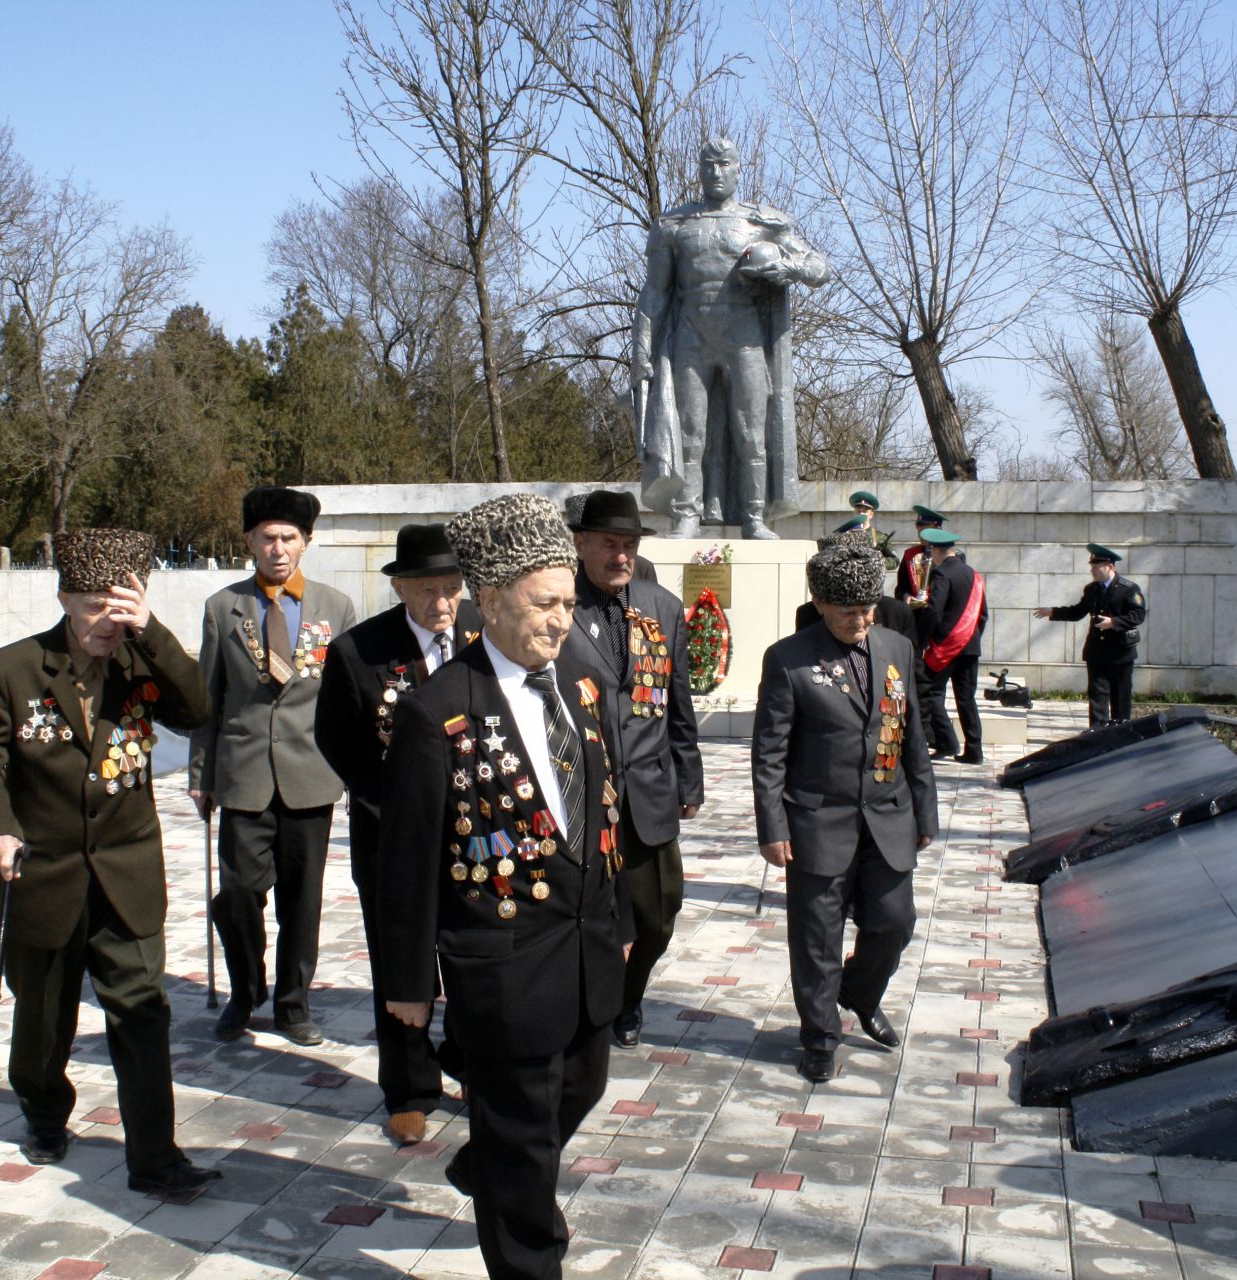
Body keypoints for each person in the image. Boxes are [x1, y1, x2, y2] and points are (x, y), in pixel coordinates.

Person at [378, 494, 631, 1280]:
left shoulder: (581, 690)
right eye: (544, 603)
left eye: (568, 603)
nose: (562, 620)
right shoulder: (437, 711)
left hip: (587, 951)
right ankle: (528, 1253)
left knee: (579, 1090)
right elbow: (408, 862)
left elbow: (600, 818)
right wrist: (409, 984)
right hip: (503, 959)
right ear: (490, 600)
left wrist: (616, 918)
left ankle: (488, 1165)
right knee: (524, 1141)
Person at [0, 528, 220, 1196]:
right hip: (41, 875)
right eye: (97, 603)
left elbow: (197, 709)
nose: (109, 619)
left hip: (126, 876)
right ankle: (44, 1113)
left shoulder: (141, 663)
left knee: (142, 1013)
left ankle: (154, 1156)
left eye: (124, 602)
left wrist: (151, 631)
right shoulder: (15, 668)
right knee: (43, 1017)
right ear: (66, 598)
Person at [314, 524, 482, 1146]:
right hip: (391, 836)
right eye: (429, 589)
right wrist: (399, 802)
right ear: (401, 588)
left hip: (473, 830)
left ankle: (468, 1063)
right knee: (399, 961)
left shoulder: (483, 633)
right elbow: (337, 739)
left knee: (472, 954)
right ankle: (409, 1088)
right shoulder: (360, 651)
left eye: (452, 587)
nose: (444, 603)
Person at [753, 539, 939, 1084]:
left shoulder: (895, 648)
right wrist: (772, 824)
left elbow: (912, 737)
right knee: (817, 937)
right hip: (816, 820)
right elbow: (769, 752)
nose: (861, 619)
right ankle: (819, 1035)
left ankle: (857, 992)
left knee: (893, 923)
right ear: (822, 605)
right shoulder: (789, 658)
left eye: (867, 609)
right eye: (848, 611)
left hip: (888, 815)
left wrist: (925, 813)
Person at [189, 486, 358, 1047]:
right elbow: (206, 700)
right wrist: (200, 776)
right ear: (249, 542)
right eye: (268, 537)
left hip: (310, 775)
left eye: (289, 537)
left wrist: (351, 771)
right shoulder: (224, 608)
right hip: (243, 776)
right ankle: (245, 990)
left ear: (305, 543)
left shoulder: (334, 608)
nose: (278, 548)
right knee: (238, 895)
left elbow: (345, 699)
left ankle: (293, 1002)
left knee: (301, 900)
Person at [561, 489, 703, 1049]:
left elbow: (679, 700)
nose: (620, 555)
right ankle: (589, 1006)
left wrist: (688, 778)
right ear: (581, 544)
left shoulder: (662, 606)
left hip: (648, 790)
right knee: (582, 914)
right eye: (608, 544)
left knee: (658, 915)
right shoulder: (558, 603)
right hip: (578, 792)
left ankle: (629, 995)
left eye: (629, 545)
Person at [634, 136, 830, 538]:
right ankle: (688, 513)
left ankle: (754, 516)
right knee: (690, 432)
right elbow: (654, 294)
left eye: (725, 164)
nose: (717, 172)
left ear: (740, 169)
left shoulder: (762, 222)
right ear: (700, 170)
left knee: (751, 431)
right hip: (691, 337)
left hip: (745, 338)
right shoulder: (675, 225)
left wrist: (787, 268)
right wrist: (641, 351)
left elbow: (819, 268)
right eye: (709, 164)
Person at [1032, 542, 1146, 728]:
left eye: (1096, 568)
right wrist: (1053, 612)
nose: (1092, 571)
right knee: (1097, 697)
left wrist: (1114, 623)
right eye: (1091, 568)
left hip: (1120, 653)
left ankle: (1120, 732)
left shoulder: (1129, 589)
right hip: (1097, 652)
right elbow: (1078, 612)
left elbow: (1138, 615)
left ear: (1110, 566)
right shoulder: (1092, 589)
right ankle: (1098, 733)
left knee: (1120, 697)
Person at [916, 528, 987, 764]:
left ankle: (946, 741)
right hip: (970, 646)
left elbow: (934, 611)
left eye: (931, 552)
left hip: (946, 647)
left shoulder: (941, 575)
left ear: (937, 551)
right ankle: (975, 751)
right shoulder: (974, 575)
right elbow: (983, 615)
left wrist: (922, 640)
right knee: (966, 699)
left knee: (929, 692)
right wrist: (972, 638)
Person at [795, 529, 915, 639]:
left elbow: (911, 660)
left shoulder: (897, 613)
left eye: (866, 610)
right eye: (846, 612)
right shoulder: (808, 614)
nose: (859, 621)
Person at [893, 504, 947, 604]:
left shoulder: (952, 555)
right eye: (919, 530)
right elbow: (901, 589)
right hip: (916, 614)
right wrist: (906, 597)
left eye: (925, 530)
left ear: (937, 528)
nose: (920, 535)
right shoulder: (910, 554)